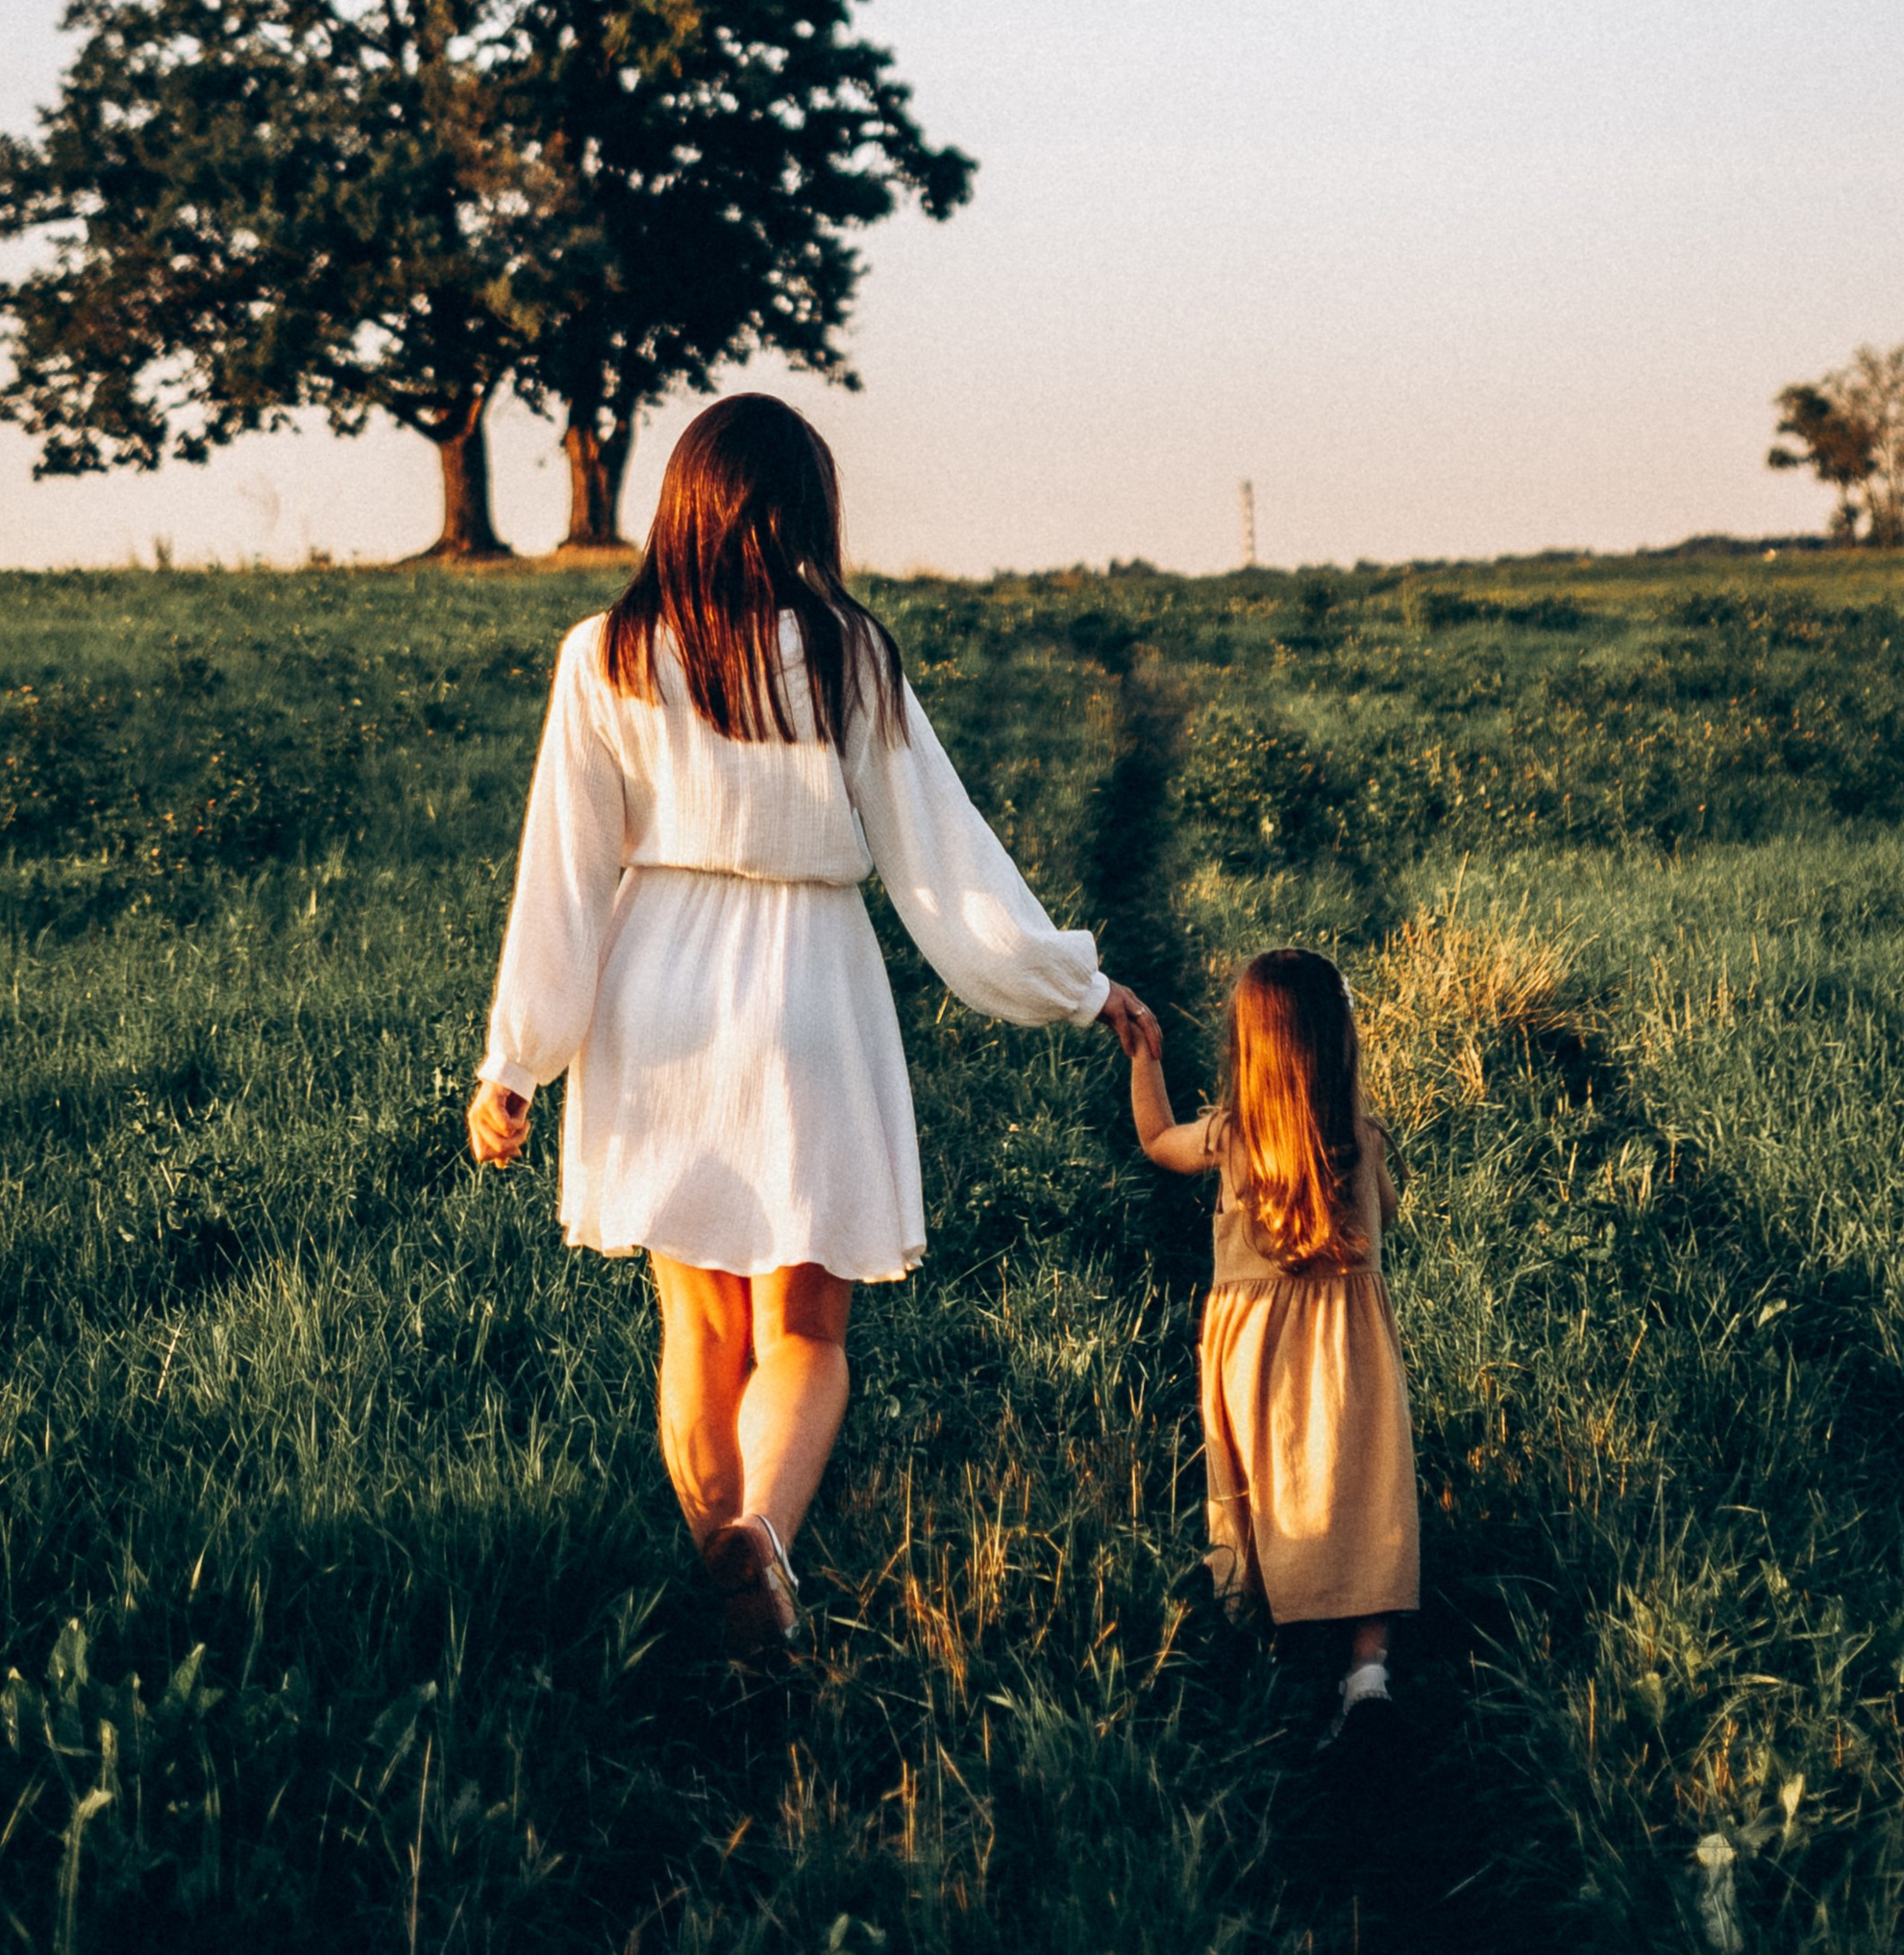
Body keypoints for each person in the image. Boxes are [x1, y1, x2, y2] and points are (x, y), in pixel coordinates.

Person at [464, 394, 1153, 1650]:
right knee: (803, 1325)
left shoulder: (606, 649)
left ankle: (721, 1571)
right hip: (808, 987)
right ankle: (764, 1554)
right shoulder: (844, 649)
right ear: (802, 506)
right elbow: (943, 860)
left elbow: (559, 874)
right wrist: (1072, 979)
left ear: (681, 498)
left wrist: (518, 1058)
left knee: (697, 1321)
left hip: (652, 985)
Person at [1127, 946, 1419, 1745]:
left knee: (1273, 1495)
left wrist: (1144, 1059)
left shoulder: (1228, 1138)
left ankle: (1285, 1660)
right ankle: (1368, 1676)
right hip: (1350, 1357)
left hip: (1256, 1363)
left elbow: (1156, 1138)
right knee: (1366, 1494)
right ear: (1340, 1044)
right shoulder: (1364, 1139)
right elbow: (1385, 1214)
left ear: (1246, 1050)